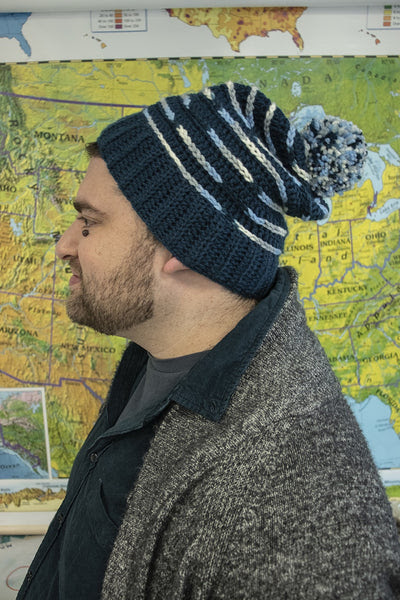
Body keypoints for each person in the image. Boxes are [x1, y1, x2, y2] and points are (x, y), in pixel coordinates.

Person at [18, 82, 400, 599]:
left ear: (183, 247)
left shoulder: (289, 511)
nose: (64, 244)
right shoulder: (159, 356)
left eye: (89, 223)